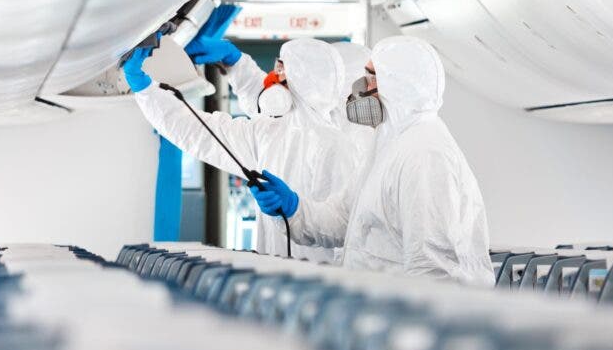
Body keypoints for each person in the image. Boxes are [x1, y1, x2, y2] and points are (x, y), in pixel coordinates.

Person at [255, 35, 495, 286]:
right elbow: (345, 220)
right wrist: (293, 209)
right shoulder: (388, 142)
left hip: (404, 315)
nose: (361, 87)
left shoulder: (425, 155)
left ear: (398, 85)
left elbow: (433, 271)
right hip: (379, 307)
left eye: (371, 77)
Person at [121, 17, 355, 263]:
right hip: (273, 272)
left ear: (303, 80)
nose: (273, 77)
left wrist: (295, 210)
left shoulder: (337, 147)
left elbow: (342, 228)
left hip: (321, 280)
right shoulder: (268, 132)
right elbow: (198, 132)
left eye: (281, 69)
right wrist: (145, 88)